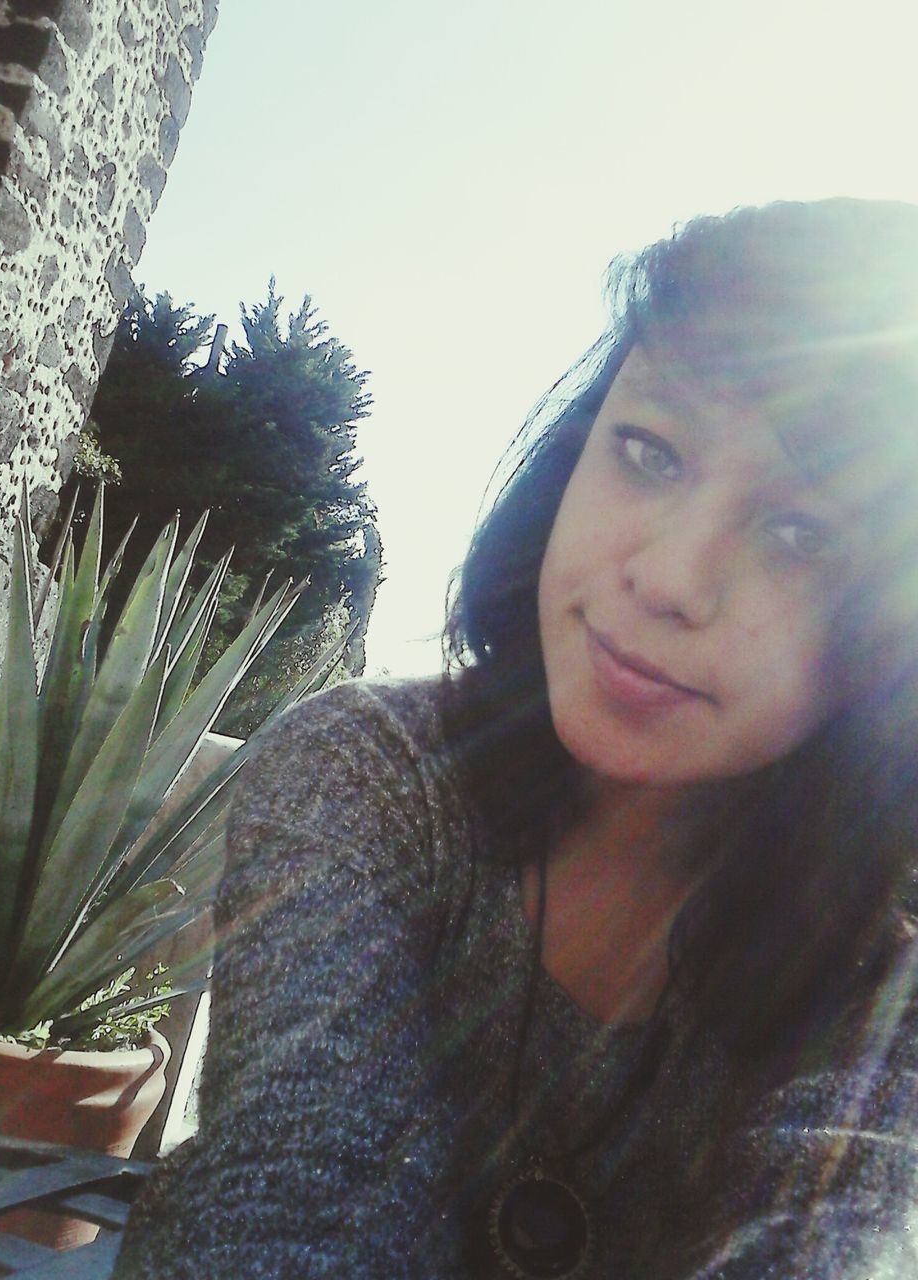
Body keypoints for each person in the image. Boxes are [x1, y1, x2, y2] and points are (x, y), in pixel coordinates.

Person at [114, 198, 918, 1279]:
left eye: (799, 534)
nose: (668, 576)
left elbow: (847, 1237)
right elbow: (296, 1190)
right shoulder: (376, 778)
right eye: (651, 450)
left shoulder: (883, 972)